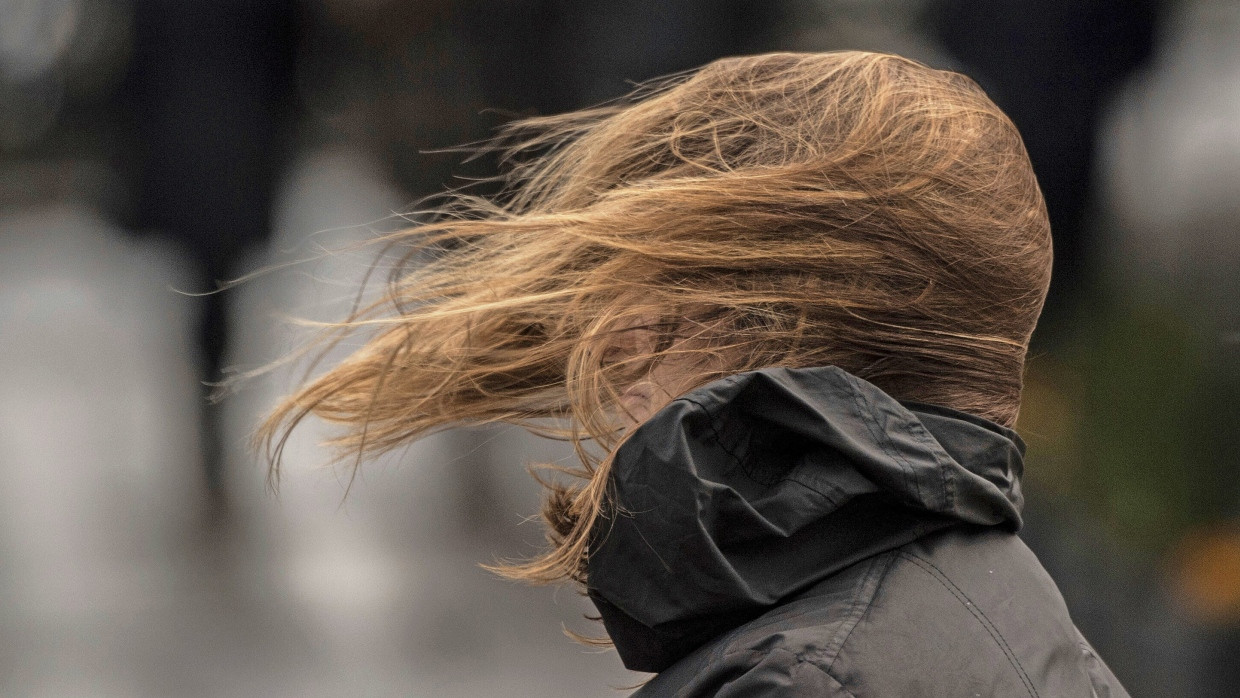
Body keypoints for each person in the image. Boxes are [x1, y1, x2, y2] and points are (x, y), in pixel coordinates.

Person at [258, 51, 1129, 696]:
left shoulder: (801, 680)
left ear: (786, 330)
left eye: (665, 312)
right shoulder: (1014, 611)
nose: (619, 358)